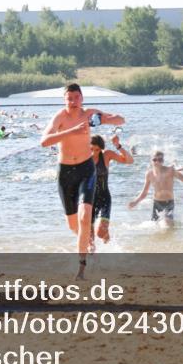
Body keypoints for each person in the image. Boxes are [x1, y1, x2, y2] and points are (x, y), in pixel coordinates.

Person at [40, 83, 125, 279]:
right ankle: (88, 242)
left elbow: (120, 119)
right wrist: (71, 131)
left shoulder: (89, 114)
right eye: (69, 98)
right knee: (74, 225)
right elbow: (44, 141)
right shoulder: (60, 117)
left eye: (76, 97)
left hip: (86, 170)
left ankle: (82, 268)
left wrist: (105, 120)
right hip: (65, 173)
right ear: (64, 100)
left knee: (85, 215)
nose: (73, 102)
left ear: (82, 98)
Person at [128, 150, 183, 226]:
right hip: (157, 203)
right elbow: (145, 192)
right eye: (155, 160)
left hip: (168, 203)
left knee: (167, 225)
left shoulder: (170, 171)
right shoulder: (149, 174)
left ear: (163, 161)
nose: (157, 162)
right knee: (155, 226)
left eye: (160, 160)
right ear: (151, 161)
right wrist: (136, 201)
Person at [89, 133, 133, 246]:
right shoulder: (83, 158)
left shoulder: (106, 155)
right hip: (89, 201)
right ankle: (92, 260)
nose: (94, 152)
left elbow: (129, 161)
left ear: (101, 148)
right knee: (89, 236)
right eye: (91, 149)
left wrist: (118, 146)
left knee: (100, 233)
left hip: (104, 198)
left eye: (97, 150)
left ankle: (108, 246)